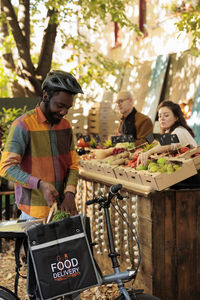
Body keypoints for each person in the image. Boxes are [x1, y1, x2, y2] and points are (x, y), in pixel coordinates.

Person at [0, 70, 83, 221]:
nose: (64, 112)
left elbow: (73, 165)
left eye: (68, 108)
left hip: (61, 211)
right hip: (33, 214)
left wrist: (70, 193)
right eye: (60, 106)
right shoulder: (23, 125)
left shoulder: (65, 126)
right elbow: (6, 167)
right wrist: (40, 184)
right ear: (46, 96)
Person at [138, 100, 197, 166]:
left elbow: (166, 144)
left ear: (176, 118)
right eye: (159, 116)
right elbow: (162, 143)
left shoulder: (179, 131)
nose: (161, 119)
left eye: (166, 115)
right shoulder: (168, 131)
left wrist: (149, 152)